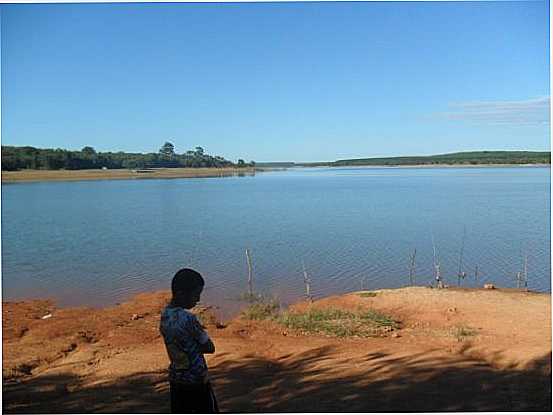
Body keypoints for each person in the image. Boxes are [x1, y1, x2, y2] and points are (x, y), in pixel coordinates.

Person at [160, 268, 218, 413]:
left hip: (177, 380)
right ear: (181, 294)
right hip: (196, 381)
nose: (198, 300)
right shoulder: (188, 319)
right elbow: (210, 347)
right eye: (196, 295)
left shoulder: (165, 316)